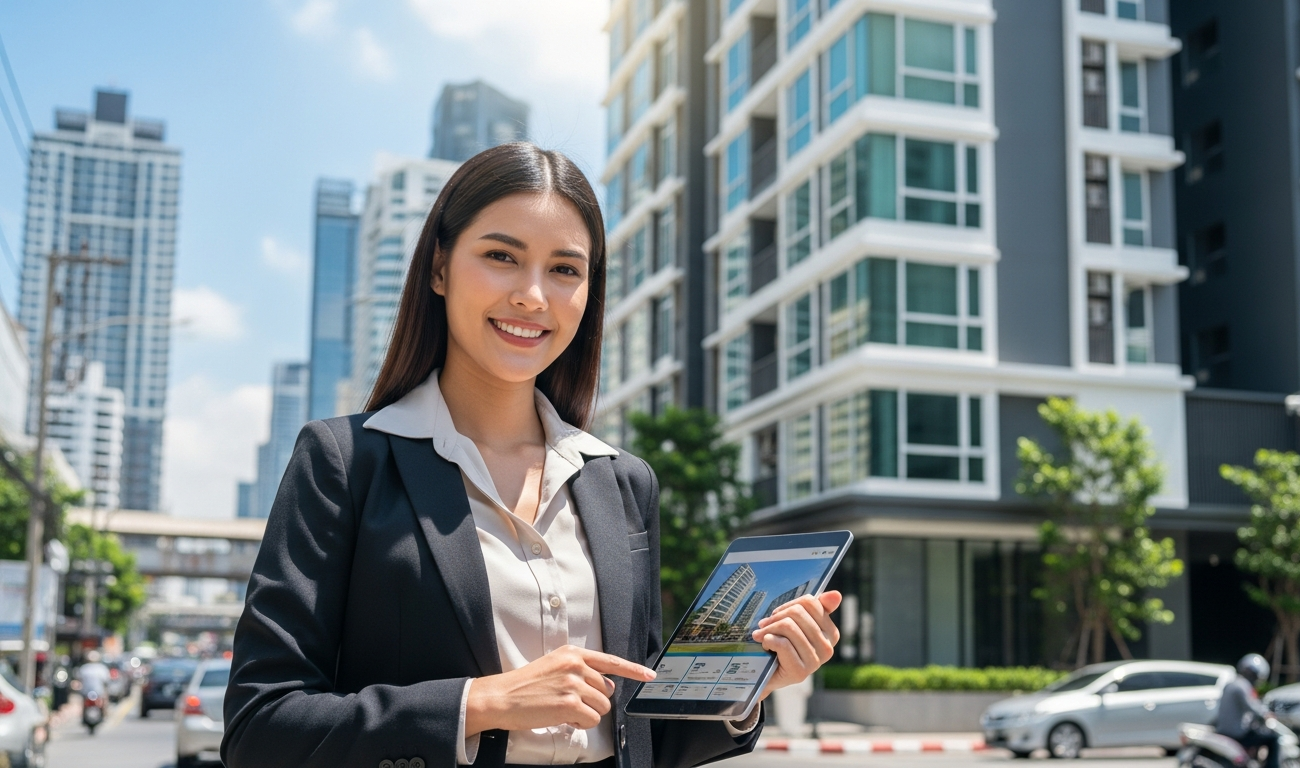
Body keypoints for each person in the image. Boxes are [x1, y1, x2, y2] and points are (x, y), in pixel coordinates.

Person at [221, 143, 841, 768]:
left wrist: (746, 687)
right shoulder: (343, 463)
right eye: (501, 257)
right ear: (439, 268)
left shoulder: (623, 483)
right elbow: (259, 727)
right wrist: (481, 703)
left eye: (565, 269)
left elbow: (639, 733)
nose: (533, 295)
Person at [1216, 653, 1279, 768]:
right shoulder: (1242, 686)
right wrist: (1266, 715)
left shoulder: (1232, 684)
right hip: (1237, 733)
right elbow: (1252, 706)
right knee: (1272, 739)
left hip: (1224, 730)